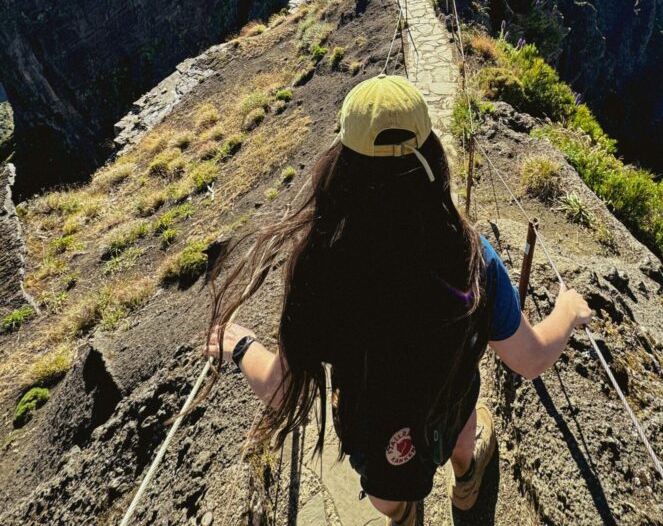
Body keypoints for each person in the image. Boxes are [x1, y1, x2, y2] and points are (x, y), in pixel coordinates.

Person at [203, 74, 593, 525]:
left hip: (376, 429)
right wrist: (566, 311)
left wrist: (243, 346)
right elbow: (529, 359)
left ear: (342, 163)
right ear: (432, 156)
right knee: (463, 427)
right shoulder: (470, 259)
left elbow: (281, 389)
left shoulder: (319, 266)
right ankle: (466, 479)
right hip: (448, 399)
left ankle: (402, 513)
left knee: (387, 491)